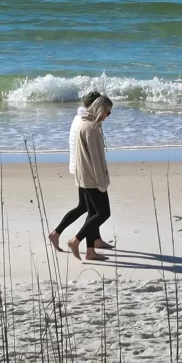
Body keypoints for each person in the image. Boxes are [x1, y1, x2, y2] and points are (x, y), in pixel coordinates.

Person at [47, 91, 114, 260]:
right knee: (102, 212)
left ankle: (91, 248)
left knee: (88, 209)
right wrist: (102, 181)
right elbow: (96, 159)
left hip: (81, 171)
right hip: (89, 174)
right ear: (98, 108)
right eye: (108, 111)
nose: (109, 115)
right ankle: (76, 240)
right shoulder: (90, 127)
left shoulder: (84, 122)